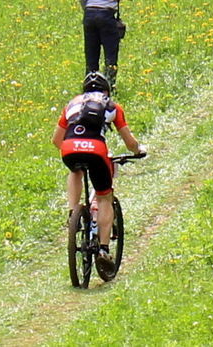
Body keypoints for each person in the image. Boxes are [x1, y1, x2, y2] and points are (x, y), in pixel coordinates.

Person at [52, 71, 142, 281]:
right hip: (97, 150)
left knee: (75, 170)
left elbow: (56, 139)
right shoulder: (112, 106)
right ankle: (103, 249)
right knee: (104, 196)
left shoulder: (71, 104)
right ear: (106, 90)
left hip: (69, 147)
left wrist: (75, 149)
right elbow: (129, 141)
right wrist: (138, 150)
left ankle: (73, 213)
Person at [77, 0, 136, 88]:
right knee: (110, 53)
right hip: (107, 16)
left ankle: (90, 84)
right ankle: (108, 86)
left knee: (91, 52)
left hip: (90, 14)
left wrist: (88, 9)